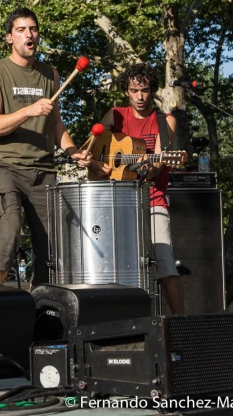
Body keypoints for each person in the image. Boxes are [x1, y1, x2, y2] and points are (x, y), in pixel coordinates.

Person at [0, 8, 92, 288]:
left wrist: (73, 151)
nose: (29, 35)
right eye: (21, 30)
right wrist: (29, 110)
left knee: (54, 249)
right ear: (9, 38)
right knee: (7, 231)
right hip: (5, 167)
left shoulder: (50, 74)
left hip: (43, 170)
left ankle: (41, 311)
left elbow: (56, 125)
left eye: (33, 29)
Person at [88, 62, 185, 314]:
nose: (140, 97)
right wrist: (99, 164)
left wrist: (148, 168)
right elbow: (92, 147)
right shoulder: (115, 115)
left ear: (152, 90)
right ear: (127, 92)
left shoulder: (166, 121)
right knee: (112, 265)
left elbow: (161, 162)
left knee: (165, 265)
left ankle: (181, 323)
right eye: (134, 91)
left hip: (153, 199)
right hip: (116, 202)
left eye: (144, 90)